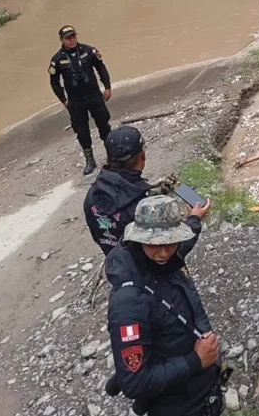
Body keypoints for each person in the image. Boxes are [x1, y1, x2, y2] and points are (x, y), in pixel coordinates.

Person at [106, 195, 219, 416]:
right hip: (177, 405)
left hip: (199, 389)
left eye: (171, 242)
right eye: (155, 244)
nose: (165, 252)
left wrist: (195, 218)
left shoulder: (159, 258)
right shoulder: (128, 303)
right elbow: (134, 382)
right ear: (138, 240)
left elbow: (181, 245)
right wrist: (195, 361)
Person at [49, 24, 112, 175]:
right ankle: (90, 160)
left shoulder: (88, 51)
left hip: (94, 95)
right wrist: (64, 100)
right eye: (68, 38)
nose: (71, 40)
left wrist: (107, 87)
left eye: (73, 37)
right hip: (75, 101)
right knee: (82, 131)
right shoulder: (57, 60)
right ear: (61, 40)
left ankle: (111, 154)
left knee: (104, 124)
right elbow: (54, 82)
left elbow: (101, 68)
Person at [84, 126, 152, 255]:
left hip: (116, 265)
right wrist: (194, 220)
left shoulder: (92, 195)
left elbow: (96, 235)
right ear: (143, 155)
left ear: (108, 159)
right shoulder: (145, 205)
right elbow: (165, 251)